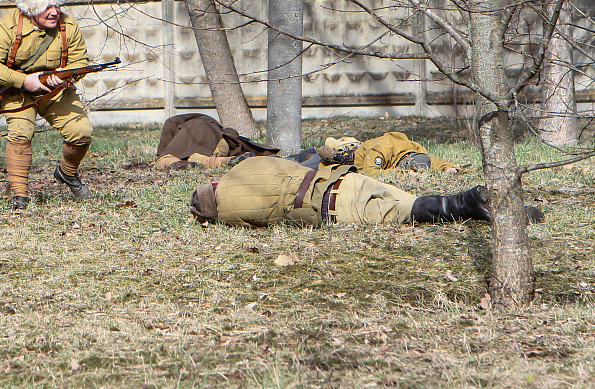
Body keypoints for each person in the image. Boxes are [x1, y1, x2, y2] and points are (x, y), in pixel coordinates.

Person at [0, 0, 93, 210]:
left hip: (55, 93)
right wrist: (24, 80)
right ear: (31, 6)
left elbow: (80, 61)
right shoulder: (9, 26)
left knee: (81, 132)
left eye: (56, 4)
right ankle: (19, 194)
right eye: (46, 6)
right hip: (18, 93)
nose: (54, 11)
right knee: (20, 133)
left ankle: (67, 172)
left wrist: (65, 75)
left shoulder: (68, 26)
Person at [188, 156, 545, 228]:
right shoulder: (246, 168)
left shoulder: (230, 215)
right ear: (214, 184)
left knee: (406, 212)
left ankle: (465, 203)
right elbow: (294, 165)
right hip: (346, 180)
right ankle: (490, 206)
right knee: (405, 200)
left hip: (333, 209)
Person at [154, 113, 279, 169]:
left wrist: (162, 155)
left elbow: (162, 154)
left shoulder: (188, 126)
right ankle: (227, 160)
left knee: (165, 161)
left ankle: (225, 161)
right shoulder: (211, 126)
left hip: (212, 144)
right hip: (222, 146)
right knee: (196, 158)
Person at [317, 132, 462, 175]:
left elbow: (431, 161)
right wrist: (401, 174)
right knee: (315, 158)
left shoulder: (415, 149)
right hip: (346, 152)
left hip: (357, 145)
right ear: (403, 163)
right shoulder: (381, 151)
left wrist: (449, 167)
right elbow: (371, 171)